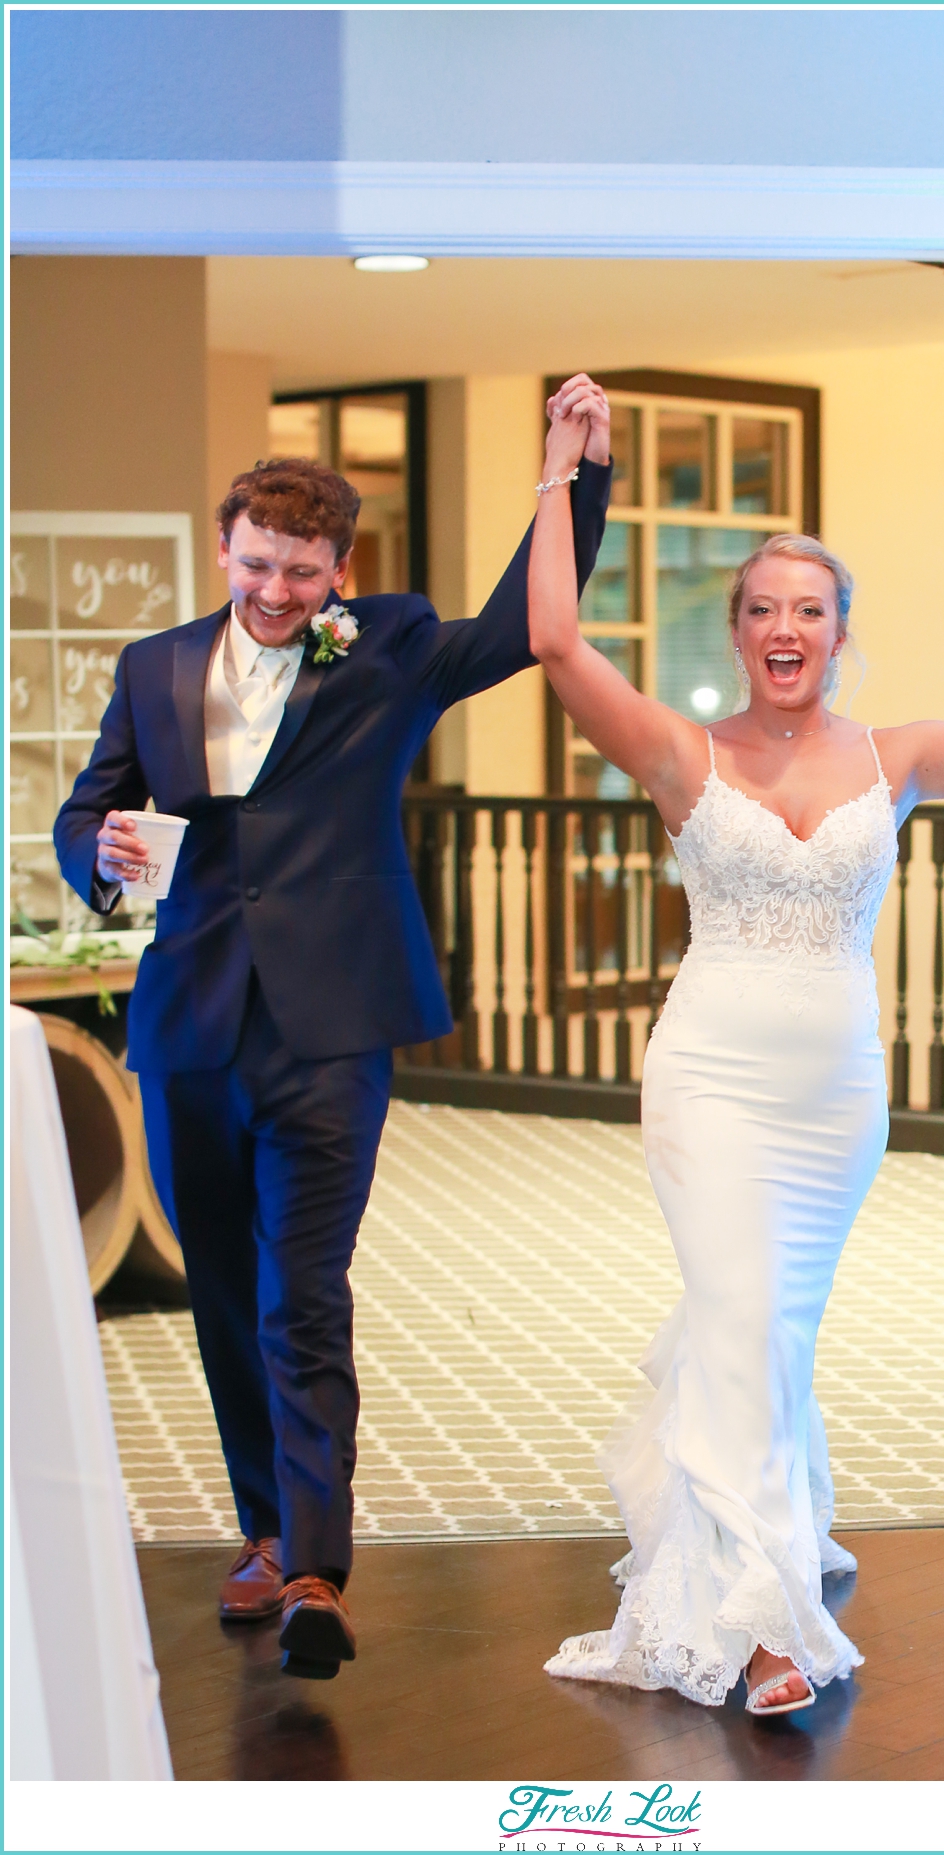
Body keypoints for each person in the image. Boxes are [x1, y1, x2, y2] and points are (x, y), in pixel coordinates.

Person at [529, 386, 944, 1715]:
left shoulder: (894, 759)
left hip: (834, 1098)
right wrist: (560, 473)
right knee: (745, 1322)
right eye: (763, 609)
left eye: (810, 609)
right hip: (710, 1086)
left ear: (841, 635)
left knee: (773, 1336)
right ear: (736, 631)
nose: (786, 629)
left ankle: (758, 1547)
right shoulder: (681, 755)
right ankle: (772, 1625)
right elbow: (554, 641)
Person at [54, 386, 612, 1679]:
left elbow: (532, 626)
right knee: (227, 1299)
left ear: (338, 570)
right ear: (225, 548)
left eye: (302, 573)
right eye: (256, 565)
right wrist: (106, 855)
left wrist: (569, 475)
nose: (275, 591)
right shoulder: (153, 667)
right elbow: (89, 816)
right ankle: (260, 1527)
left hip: (334, 1024)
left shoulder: (395, 644)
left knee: (305, 1293)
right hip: (193, 1022)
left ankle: (316, 1568)